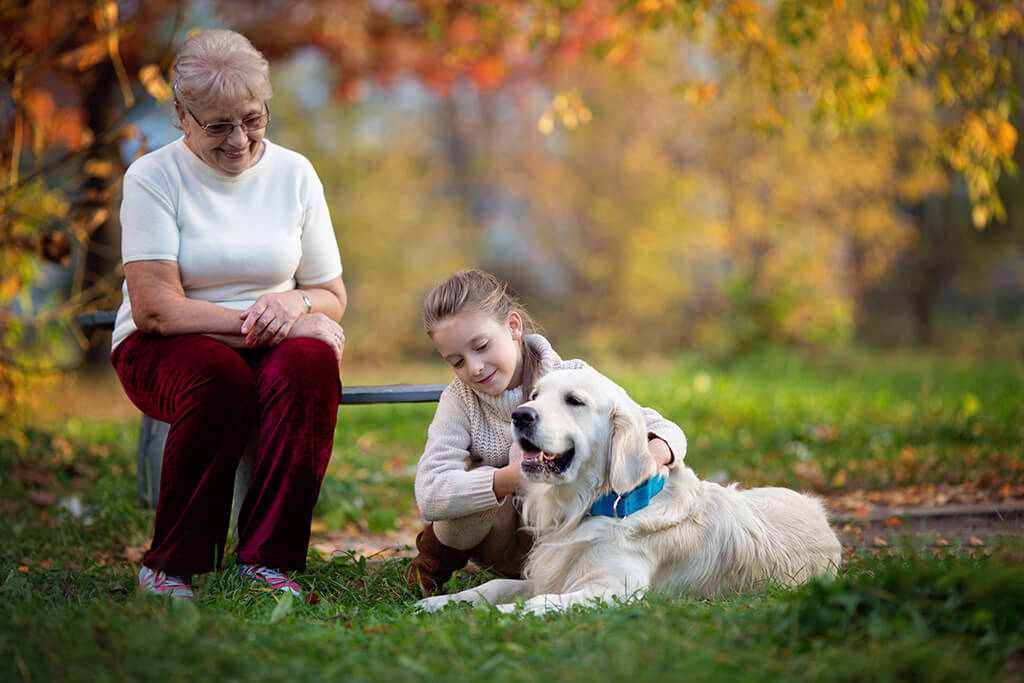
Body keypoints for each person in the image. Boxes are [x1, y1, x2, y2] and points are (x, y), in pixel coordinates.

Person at [109, 29, 347, 599]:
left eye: (253, 118)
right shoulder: (153, 177)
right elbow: (157, 310)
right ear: (181, 117)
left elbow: (330, 293)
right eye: (218, 125)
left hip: (270, 337)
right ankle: (171, 565)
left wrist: (297, 303)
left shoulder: (295, 174)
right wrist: (269, 323)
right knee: (219, 379)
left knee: (311, 363)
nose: (239, 140)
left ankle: (269, 561)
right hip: (165, 347)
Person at [406, 269, 686, 594]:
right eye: (456, 361)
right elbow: (430, 494)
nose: (474, 367)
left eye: (481, 346)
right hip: (501, 543)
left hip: (571, 540)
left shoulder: (570, 379)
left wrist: (639, 460)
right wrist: (510, 477)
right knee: (473, 489)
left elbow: (664, 428)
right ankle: (430, 568)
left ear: (513, 326)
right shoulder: (459, 400)